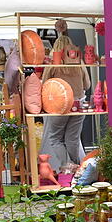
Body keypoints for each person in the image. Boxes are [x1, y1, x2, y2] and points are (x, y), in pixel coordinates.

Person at [39, 34, 91, 172]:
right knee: (72, 139)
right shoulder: (79, 62)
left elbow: (45, 84)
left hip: (60, 105)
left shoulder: (53, 62)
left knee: (55, 138)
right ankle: (77, 168)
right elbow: (87, 85)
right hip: (78, 104)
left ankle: (65, 167)